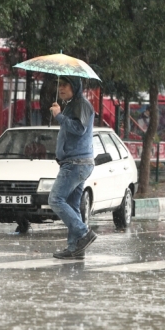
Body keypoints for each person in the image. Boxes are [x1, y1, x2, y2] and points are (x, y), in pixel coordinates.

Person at [49, 76, 98, 260]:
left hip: (76, 163)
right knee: (72, 205)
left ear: (75, 86)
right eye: (59, 85)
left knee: (55, 199)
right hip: (73, 162)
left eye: (64, 85)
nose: (60, 88)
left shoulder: (82, 104)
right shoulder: (71, 104)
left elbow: (79, 129)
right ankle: (75, 248)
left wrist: (59, 116)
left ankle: (84, 232)